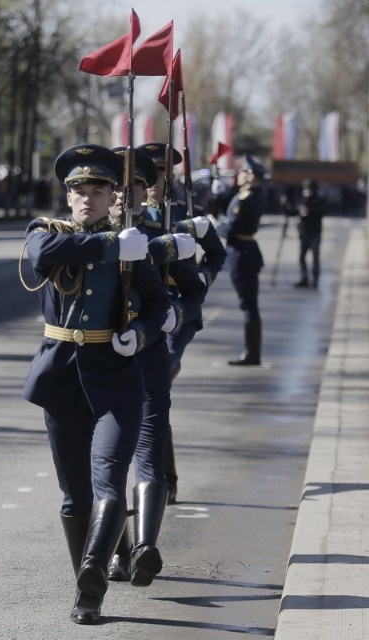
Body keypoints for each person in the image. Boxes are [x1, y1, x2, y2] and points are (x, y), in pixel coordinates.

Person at [21, 143, 168, 624]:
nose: (88, 197)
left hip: (114, 379)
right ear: (67, 197)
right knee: (74, 495)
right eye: (79, 190)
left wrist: (138, 334)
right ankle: (86, 571)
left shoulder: (132, 245)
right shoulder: (49, 232)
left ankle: (91, 585)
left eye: (98, 189)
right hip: (62, 379)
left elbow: (158, 306)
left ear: (112, 196)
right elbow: (43, 255)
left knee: (109, 482)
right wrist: (110, 245)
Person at [105, 147, 204, 585]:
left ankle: (144, 546)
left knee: (146, 454)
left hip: (148, 360)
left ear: (147, 193)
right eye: (118, 188)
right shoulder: (84, 238)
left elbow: (192, 288)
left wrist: (174, 318)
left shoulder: (163, 234)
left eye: (134, 187)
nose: (124, 196)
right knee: (107, 464)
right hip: (99, 366)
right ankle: (117, 552)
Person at [139, 142, 227, 504]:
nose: (154, 181)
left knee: (157, 381)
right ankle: (164, 476)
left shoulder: (187, 212)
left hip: (180, 311)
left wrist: (203, 279)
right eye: (147, 174)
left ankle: (162, 479)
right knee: (152, 395)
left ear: (169, 175)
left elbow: (217, 253)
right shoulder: (132, 214)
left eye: (160, 173)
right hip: (149, 312)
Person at [218, 155, 267, 366]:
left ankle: (252, 353)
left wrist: (213, 227)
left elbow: (231, 228)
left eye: (242, 172)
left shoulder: (247, 199)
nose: (238, 176)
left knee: (248, 304)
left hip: (241, 253)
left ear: (251, 176)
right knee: (249, 304)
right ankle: (252, 352)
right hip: (246, 250)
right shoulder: (249, 195)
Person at [283, 178, 326, 288]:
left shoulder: (319, 200)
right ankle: (304, 277)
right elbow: (292, 212)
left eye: (309, 188)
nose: (307, 191)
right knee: (302, 257)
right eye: (306, 188)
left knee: (315, 257)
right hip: (303, 233)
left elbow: (322, 211)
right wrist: (285, 204)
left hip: (315, 232)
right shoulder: (302, 200)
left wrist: (310, 210)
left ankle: (315, 280)